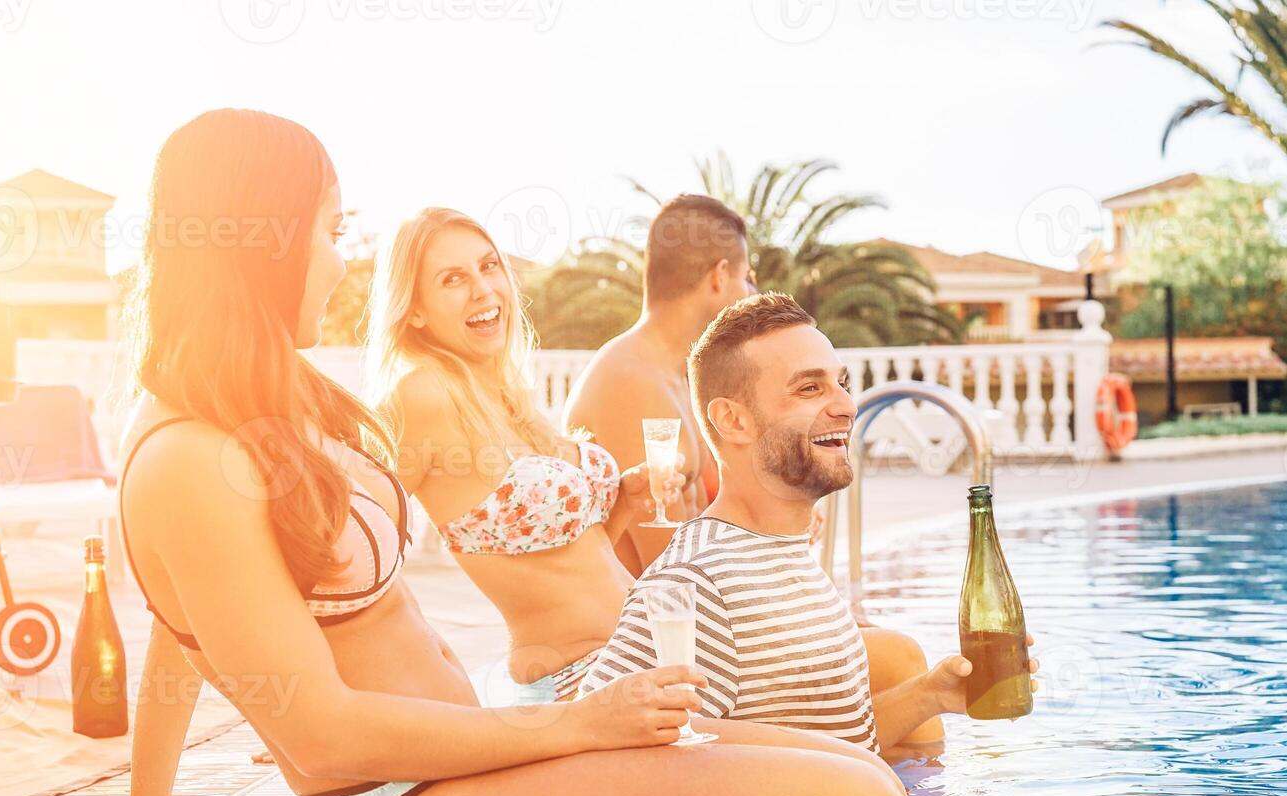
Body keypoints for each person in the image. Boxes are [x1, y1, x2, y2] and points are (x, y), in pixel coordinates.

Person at [23, 110, 913, 796]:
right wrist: (577, 725)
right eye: (329, 234)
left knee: (870, 777)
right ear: (259, 239)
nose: (340, 264)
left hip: (469, 765)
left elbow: (206, 621)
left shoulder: (269, 406)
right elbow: (316, 729)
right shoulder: (186, 456)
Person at [579, 293, 1039, 757]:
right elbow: (597, 755)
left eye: (841, 383)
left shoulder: (776, 551)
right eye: (810, 389)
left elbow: (824, 746)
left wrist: (931, 696)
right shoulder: (697, 582)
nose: (845, 406)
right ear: (733, 420)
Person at [363, 208, 682, 702]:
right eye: (453, 279)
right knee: (826, 769)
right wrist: (363, 691)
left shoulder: (509, 395)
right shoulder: (422, 393)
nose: (483, 289)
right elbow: (352, 542)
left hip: (639, 658)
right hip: (580, 683)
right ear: (415, 309)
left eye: (489, 266)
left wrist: (627, 501)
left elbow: (575, 556)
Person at [563, 194, 753, 576]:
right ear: (718, 276)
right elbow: (667, 569)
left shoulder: (672, 374)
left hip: (688, 601)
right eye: (746, 276)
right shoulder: (630, 382)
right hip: (643, 622)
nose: (750, 292)